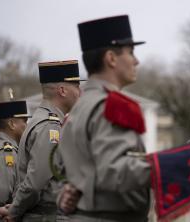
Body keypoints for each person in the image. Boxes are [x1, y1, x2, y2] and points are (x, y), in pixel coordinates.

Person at [57, 15, 151, 222]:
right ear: (111, 58)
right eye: (131, 52)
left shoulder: (79, 106)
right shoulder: (112, 106)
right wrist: (168, 165)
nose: (136, 60)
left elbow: (66, 171)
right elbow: (115, 172)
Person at [0, 60, 81, 222]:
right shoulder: (49, 126)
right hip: (45, 216)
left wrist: (14, 207)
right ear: (62, 90)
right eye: (76, 86)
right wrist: (15, 210)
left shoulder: (44, 120)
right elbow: (36, 181)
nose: (80, 92)